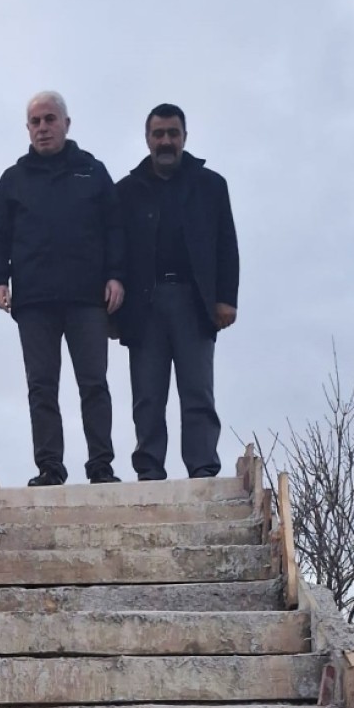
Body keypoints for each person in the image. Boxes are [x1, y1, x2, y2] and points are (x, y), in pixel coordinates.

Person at [0, 91, 125, 486]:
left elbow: (116, 228)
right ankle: (49, 467)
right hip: (34, 301)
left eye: (50, 119)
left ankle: (101, 466)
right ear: (28, 128)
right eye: (35, 122)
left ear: (66, 123)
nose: (43, 128)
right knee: (41, 387)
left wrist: (116, 275)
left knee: (93, 384)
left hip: (87, 299)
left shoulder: (92, 172)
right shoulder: (13, 180)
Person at [115, 103, 239, 480]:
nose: (166, 141)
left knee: (198, 391)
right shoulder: (126, 191)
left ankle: (202, 468)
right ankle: (149, 470)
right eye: (159, 134)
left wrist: (226, 299)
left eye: (173, 133)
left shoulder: (211, 186)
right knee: (147, 395)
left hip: (194, 302)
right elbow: (114, 251)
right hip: (144, 306)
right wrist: (112, 312)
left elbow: (227, 245)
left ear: (185, 137)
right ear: (147, 139)